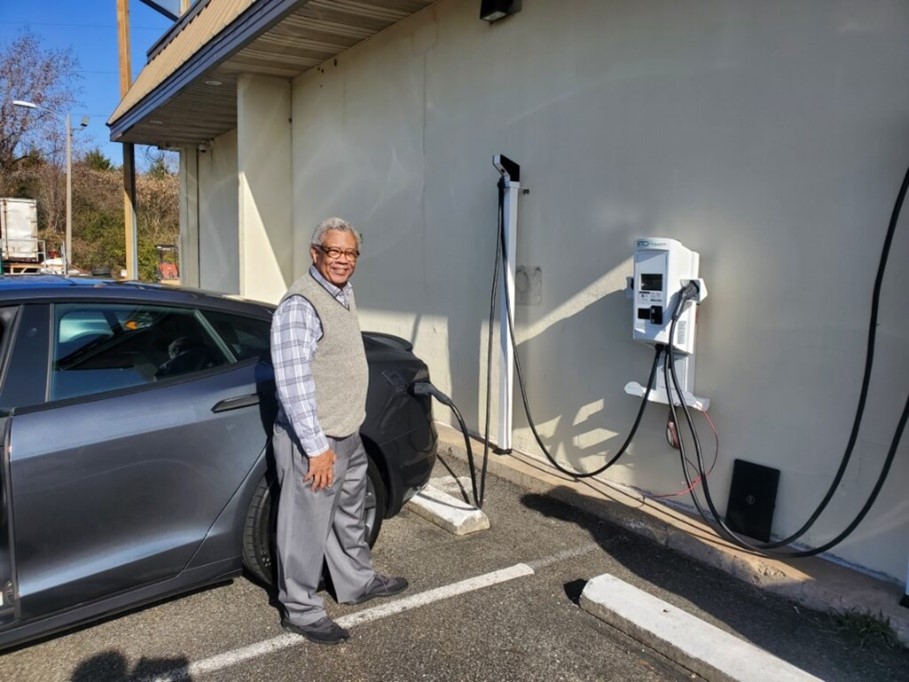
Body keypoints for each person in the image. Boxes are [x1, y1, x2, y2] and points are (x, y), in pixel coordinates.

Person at [270, 216, 408, 645]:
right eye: (335, 252)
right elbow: (292, 383)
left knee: (348, 515)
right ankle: (300, 608)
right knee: (305, 526)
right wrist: (316, 448)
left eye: (350, 253)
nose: (343, 260)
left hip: (347, 434)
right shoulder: (301, 305)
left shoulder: (344, 293)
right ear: (316, 253)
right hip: (317, 441)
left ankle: (357, 582)